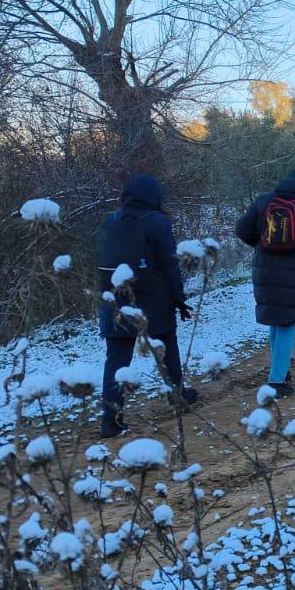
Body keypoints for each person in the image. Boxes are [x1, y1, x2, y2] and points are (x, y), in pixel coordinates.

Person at [97, 174, 197, 438]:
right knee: (166, 348)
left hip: (114, 302)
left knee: (117, 360)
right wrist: (178, 299)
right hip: (153, 301)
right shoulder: (157, 221)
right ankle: (179, 396)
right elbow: (170, 264)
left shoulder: (111, 220)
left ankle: (111, 420)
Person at [235, 167, 295, 396]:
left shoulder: (263, 201)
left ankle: (281, 370)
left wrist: (262, 244)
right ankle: (277, 381)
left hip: (265, 269)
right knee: (288, 321)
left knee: (275, 320)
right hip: (294, 269)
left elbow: (242, 229)